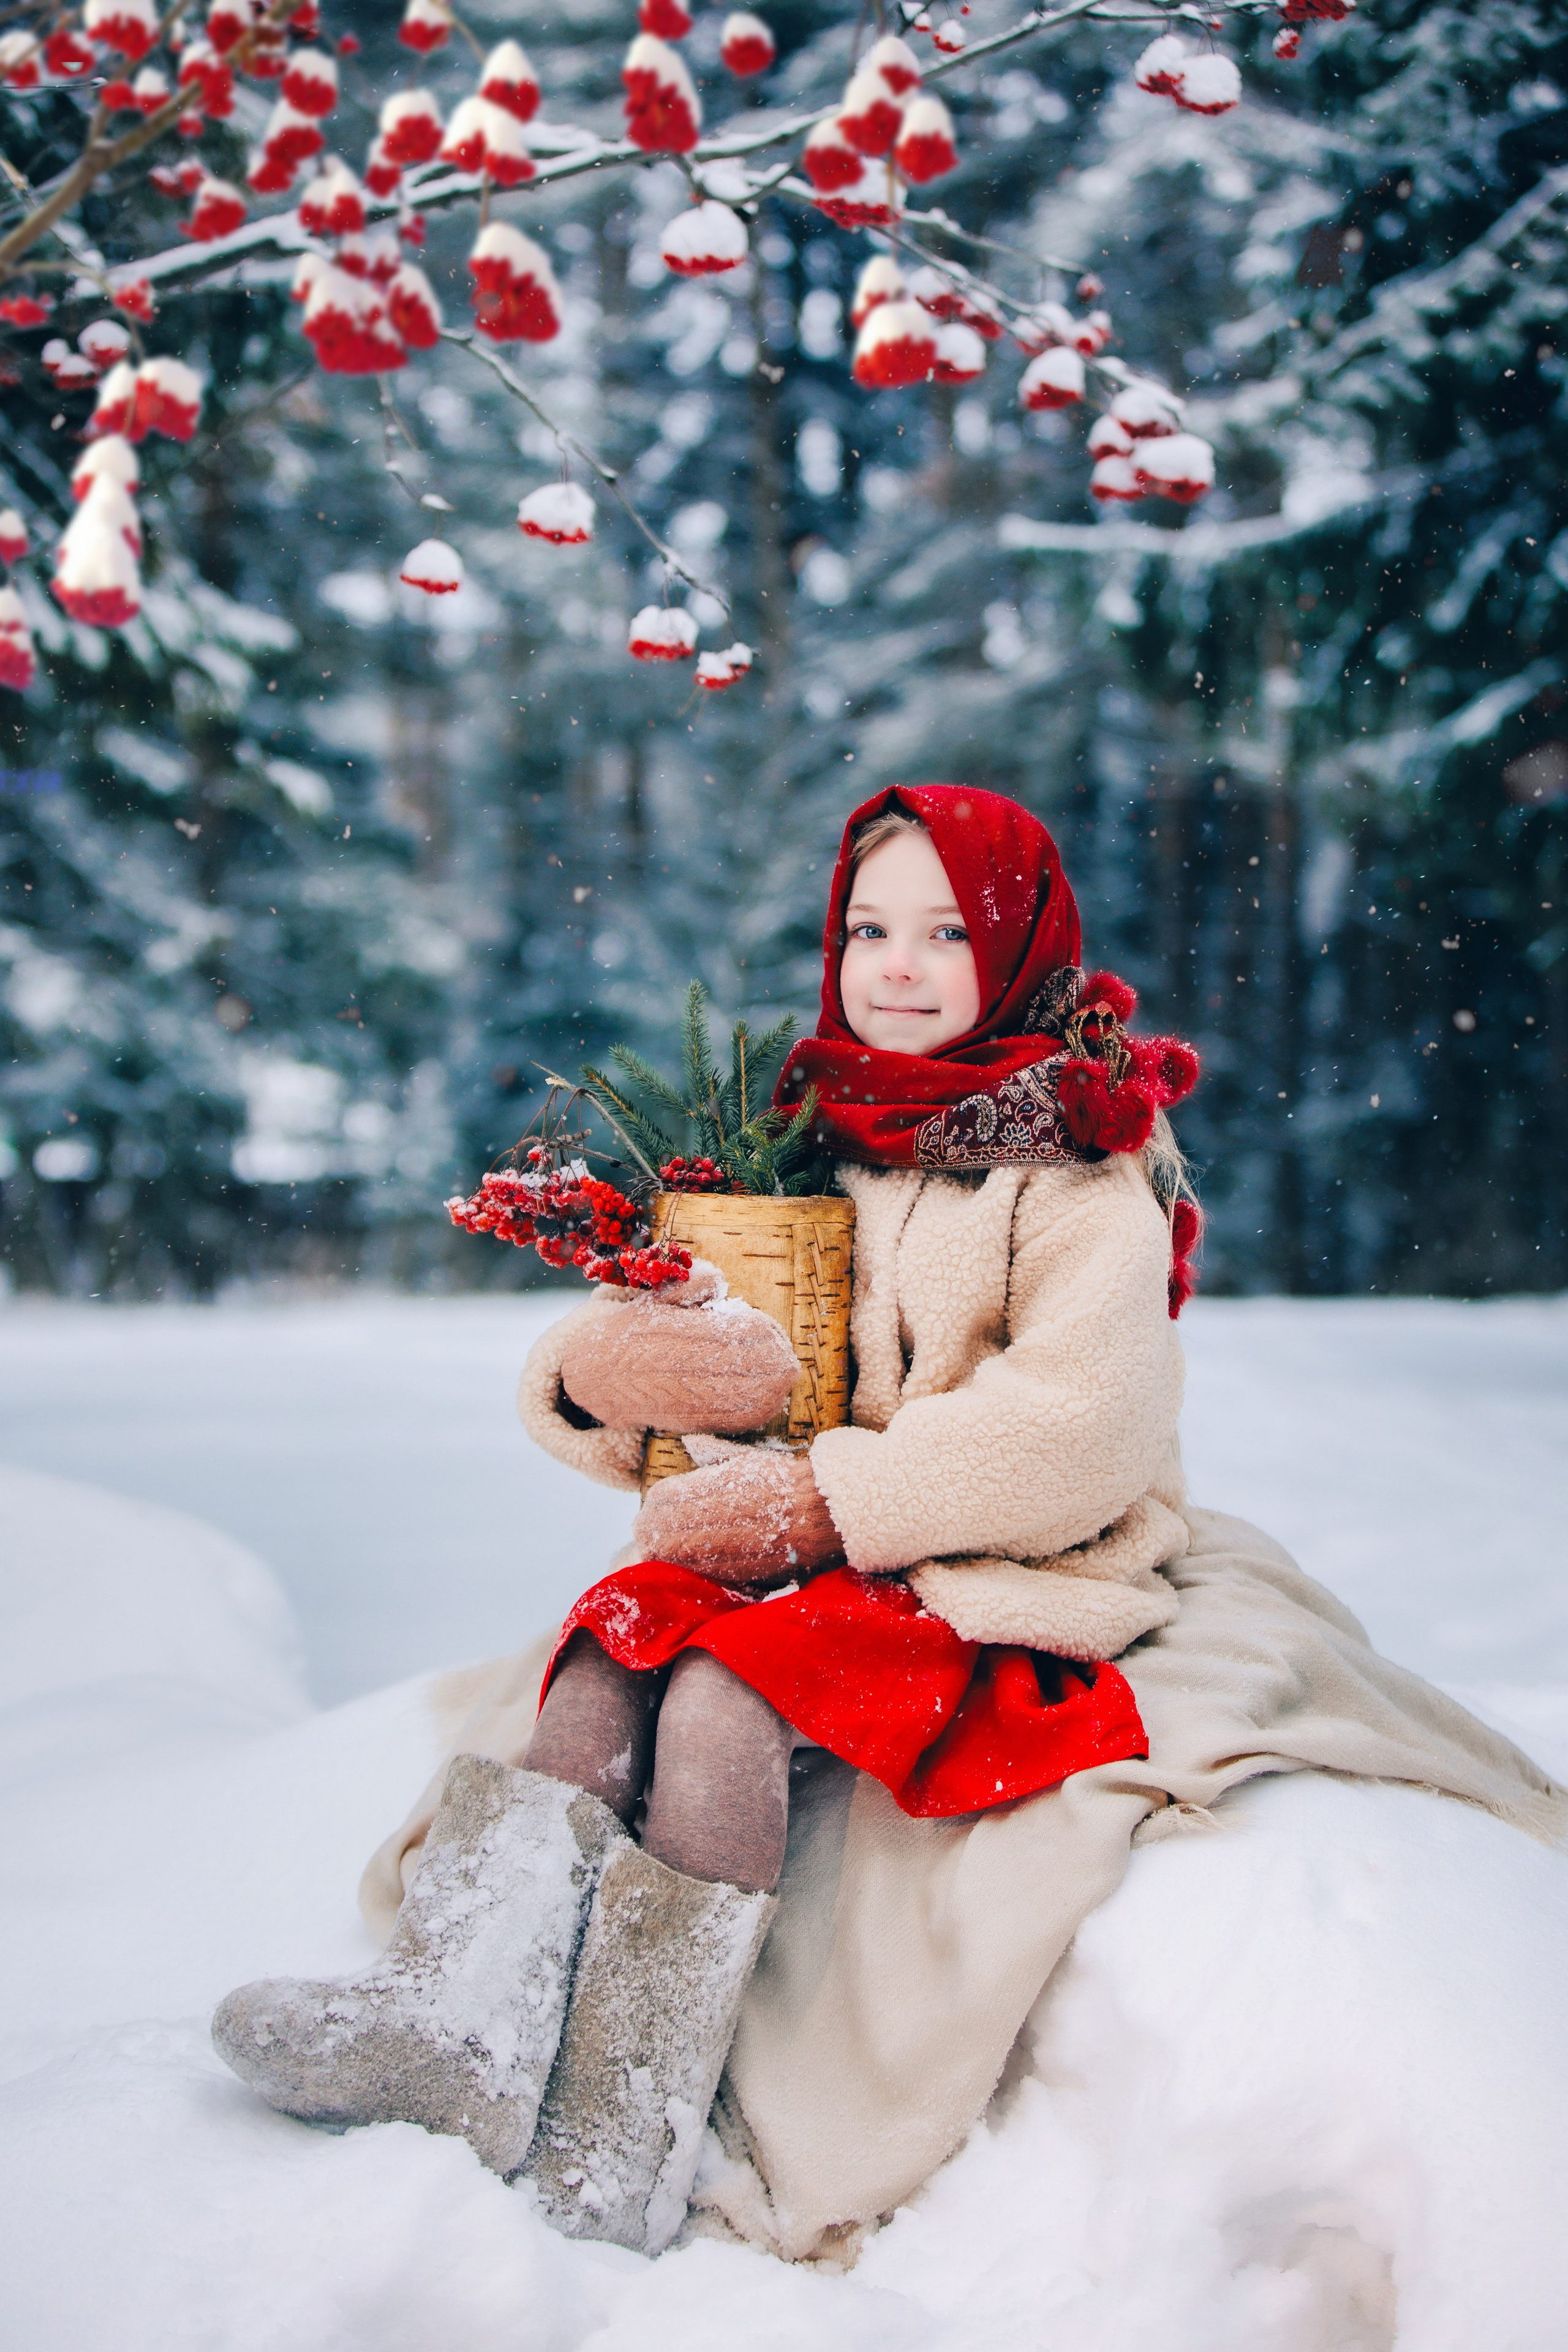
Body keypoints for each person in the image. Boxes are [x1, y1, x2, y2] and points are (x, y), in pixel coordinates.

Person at [213, 785, 1567, 2266]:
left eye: (946, 933)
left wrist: (823, 1501)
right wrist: (608, 1382)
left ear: (1022, 951)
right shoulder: (812, 1137)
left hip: (997, 1554)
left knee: (722, 1701)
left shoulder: (1076, 1168)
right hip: (816, 1546)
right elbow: (711, 1337)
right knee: (608, 1653)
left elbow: (1078, 1428)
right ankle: (457, 2014)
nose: (898, 966)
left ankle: (632, 2108)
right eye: (868, 930)